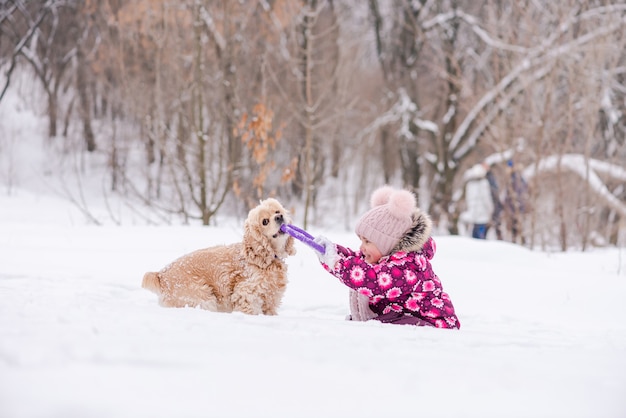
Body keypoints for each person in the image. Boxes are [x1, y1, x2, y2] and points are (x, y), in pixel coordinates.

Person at [312, 186, 460, 329]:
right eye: (361, 240)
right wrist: (333, 252)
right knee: (383, 320)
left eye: (368, 241)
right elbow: (358, 263)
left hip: (432, 325)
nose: (362, 247)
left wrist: (336, 263)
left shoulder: (409, 267)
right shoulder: (384, 258)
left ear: (388, 243)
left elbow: (371, 279)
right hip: (405, 318)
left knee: (383, 322)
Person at [461, 162, 494, 239]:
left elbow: (468, 199)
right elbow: (486, 199)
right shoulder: (483, 183)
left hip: (473, 214)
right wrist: (491, 210)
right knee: (481, 238)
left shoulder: (469, 184)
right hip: (483, 215)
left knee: (474, 238)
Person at [504, 160, 529, 244]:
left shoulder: (515, 177)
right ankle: (517, 242)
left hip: (516, 205)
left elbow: (518, 191)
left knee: (517, 226)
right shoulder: (515, 177)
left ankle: (518, 243)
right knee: (516, 226)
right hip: (515, 205)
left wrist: (513, 202)